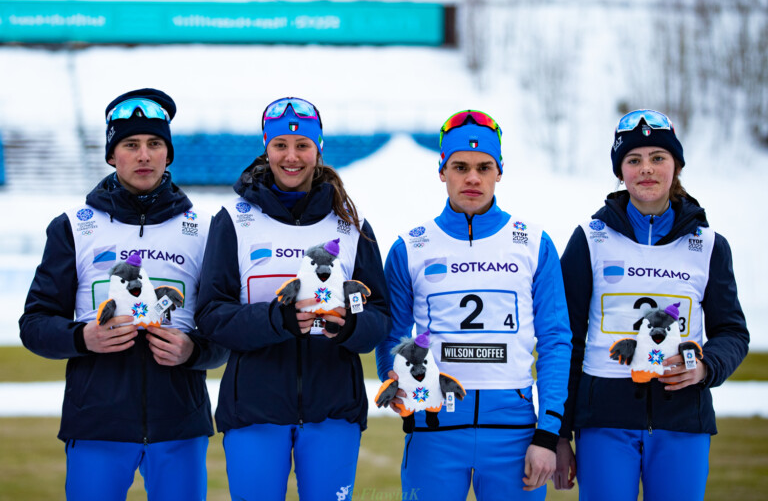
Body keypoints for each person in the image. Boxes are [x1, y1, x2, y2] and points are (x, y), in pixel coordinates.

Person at [19, 88, 228, 500]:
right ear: (112, 155)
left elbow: (223, 331)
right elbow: (34, 325)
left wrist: (193, 351)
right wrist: (83, 338)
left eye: (154, 144)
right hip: (97, 424)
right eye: (130, 145)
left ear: (168, 154)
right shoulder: (73, 227)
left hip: (179, 424)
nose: (144, 155)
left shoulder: (206, 230)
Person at [194, 97, 390, 501]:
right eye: (280, 144)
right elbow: (211, 314)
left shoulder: (351, 226)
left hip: (334, 412)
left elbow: (379, 317)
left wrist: (350, 324)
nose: (291, 156)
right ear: (266, 148)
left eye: (302, 145)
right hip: (254, 411)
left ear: (318, 149)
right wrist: (277, 320)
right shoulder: (234, 220)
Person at [375, 110, 572, 500]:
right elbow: (392, 333)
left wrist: (547, 434)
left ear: (499, 172)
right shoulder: (411, 246)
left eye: (484, 167)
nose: (472, 178)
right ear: (442, 171)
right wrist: (393, 378)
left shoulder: (533, 243)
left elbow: (555, 340)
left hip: (515, 437)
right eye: (460, 166)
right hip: (434, 429)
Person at [554, 109, 750, 500]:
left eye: (658, 158)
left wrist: (706, 367)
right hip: (602, 422)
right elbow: (564, 340)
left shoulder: (710, 245)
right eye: (634, 160)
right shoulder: (589, 240)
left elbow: (732, 332)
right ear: (621, 171)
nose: (646, 169)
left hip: (683, 420)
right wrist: (560, 433)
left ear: (676, 166)